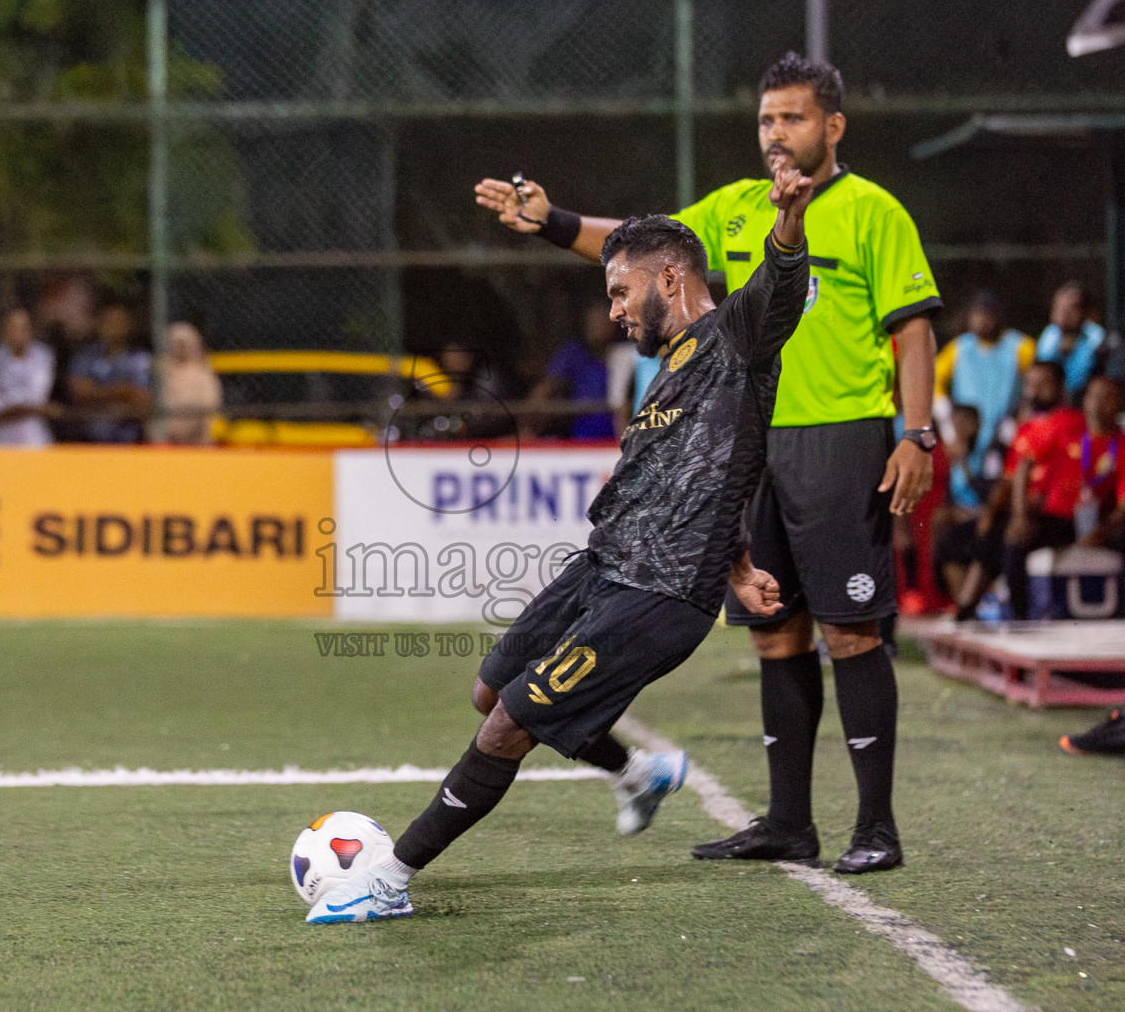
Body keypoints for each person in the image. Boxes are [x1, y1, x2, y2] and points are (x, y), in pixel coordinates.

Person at [474, 52, 939, 873]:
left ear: (832, 126)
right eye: (766, 119)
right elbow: (638, 248)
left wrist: (918, 433)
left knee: (852, 632)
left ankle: (877, 827)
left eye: (792, 117)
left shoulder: (874, 212)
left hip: (843, 437)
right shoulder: (731, 209)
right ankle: (788, 822)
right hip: (752, 453)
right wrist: (551, 219)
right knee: (774, 634)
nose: (776, 133)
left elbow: (913, 330)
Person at [307, 170, 813, 924]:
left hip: (659, 595)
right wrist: (739, 563)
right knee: (490, 687)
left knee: (506, 724)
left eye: (618, 291)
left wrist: (790, 220)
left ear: (671, 279)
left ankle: (387, 878)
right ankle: (637, 773)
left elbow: (779, 282)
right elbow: (713, 469)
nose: (611, 310)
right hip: (603, 568)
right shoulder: (670, 368)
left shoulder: (735, 338)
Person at [1003, 375, 1125, 618]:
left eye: (1108, 397)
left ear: (1119, 404)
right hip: (1060, 519)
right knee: (1016, 539)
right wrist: (1021, 515)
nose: (1099, 403)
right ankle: (1020, 617)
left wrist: (1099, 533)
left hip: (1100, 522)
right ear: (1085, 400)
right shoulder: (1066, 432)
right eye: (1094, 396)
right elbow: (1025, 466)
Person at [945, 360, 1070, 618]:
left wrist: (1012, 514)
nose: (1034, 390)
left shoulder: (1069, 423)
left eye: (1042, 384)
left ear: (1059, 387)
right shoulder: (1023, 427)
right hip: (1017, 510)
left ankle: (1014, 616)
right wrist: (990, 513)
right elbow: (1010, 479)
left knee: (1008, 536)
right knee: (952, 541)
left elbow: (1026, 473)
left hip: (1054, 514)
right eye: (1030, 384)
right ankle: (967, 609)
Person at [935, 291, 1032, 484]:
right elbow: (934, 383)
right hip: (967, 432)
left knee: (999, 482)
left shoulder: (1020, 346)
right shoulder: (959, 347)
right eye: (977, 315)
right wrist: (949, 429)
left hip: (1004, 430)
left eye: (988, 315)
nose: (982, 321)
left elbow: (1035, 385)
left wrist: (1019, 421)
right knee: (964, 484)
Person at [527, 303, 620, 439]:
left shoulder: (626, 352)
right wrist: (528, 426)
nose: (597, 327)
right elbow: (544, 389)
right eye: (593, 322)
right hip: (582, 435)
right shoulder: (574, 352)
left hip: (619, 432)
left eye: (603, 322)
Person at [68, 303, 153, 444]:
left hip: (129, 440)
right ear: (99, 325)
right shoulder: (86, 356)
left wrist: (97, 395)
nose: (113, 327)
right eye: (109, 321)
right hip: (89, 441)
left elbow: (143, 399)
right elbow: (79, 392)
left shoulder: (139, 358)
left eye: (119, 322)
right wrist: (120, 392)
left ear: (128, 326)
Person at [0, 307, 55, 447]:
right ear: (4, 329)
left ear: (31, 330)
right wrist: (35, 409)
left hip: (32, 438)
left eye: (23, 327)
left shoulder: (42, 356)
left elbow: (36, 397)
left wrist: (4, 405)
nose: (17, 332)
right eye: (12, 327)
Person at [1035, 281, 1114, 400]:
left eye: (1071, 308)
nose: (1064, 314)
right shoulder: (1049, 334)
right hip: (1053, 406)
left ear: (1085, 312)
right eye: (1059, 307)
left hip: (1084, 403)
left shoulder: (1098, 339)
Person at [154, 321, 221, 445]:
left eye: (184, 343)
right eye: (177, 342)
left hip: (197, 438)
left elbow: (210, 406)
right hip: (166, 439)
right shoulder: (164, 371)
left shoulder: (203, 372)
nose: (181, 347)